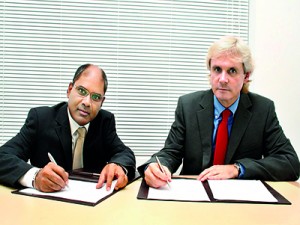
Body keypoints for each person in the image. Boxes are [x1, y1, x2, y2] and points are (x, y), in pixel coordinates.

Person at [138, 36, 300, 188]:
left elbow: (290, 163)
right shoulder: (188, 105)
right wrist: (157, 166)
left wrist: (237, 168)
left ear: (246, 76)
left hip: (241, 199)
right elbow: (171, 152)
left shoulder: (262, 110)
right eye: (217, 69)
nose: (222, 79)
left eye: (232, 71)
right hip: (193, 194)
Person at [0, 63, 136, 192]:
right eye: (82, 91)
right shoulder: (41, 119)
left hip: (93, 203)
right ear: (69, 90)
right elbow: (3, 157)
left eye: (95, 97)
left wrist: (118, 166)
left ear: (102, 102)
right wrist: (35, 177)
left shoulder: (104, 121)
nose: (87, 102)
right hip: (47, 204)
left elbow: (124, 153)